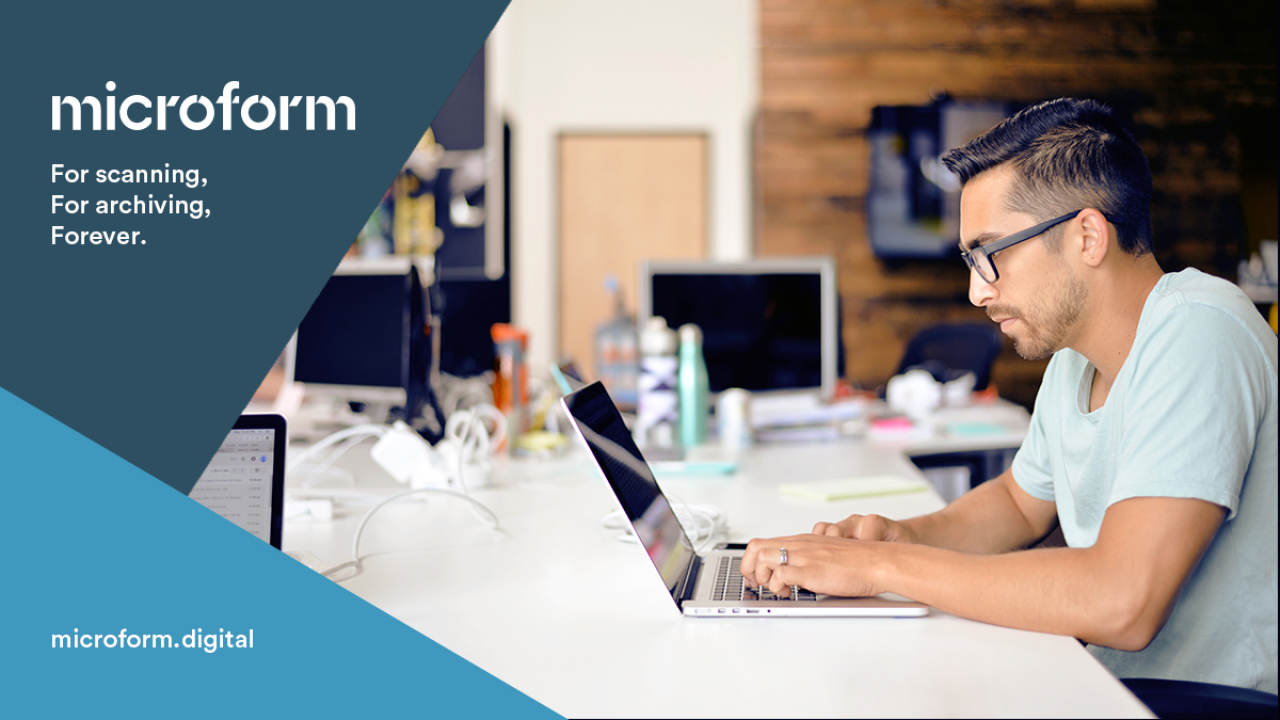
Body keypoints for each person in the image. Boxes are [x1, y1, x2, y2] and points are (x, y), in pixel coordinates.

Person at [740, 98, 1278, 694]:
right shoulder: (1074, 360)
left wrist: (881, 568)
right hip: (1109, 683)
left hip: (1205, 700)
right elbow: (1019, 505)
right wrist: (903, 536)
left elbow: (1122, 602)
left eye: (992, 255)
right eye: (972, 260)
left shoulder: (1200, 329)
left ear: (1088, 235)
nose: (977, 291)